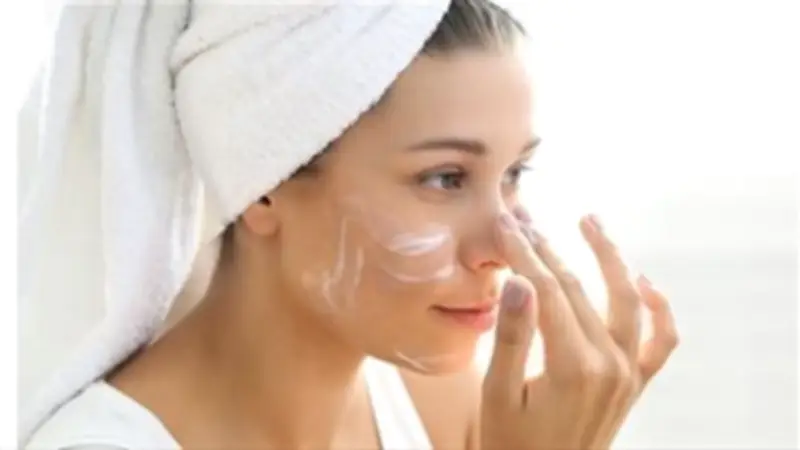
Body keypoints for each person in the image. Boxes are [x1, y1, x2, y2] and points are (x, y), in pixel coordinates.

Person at [20, 0, 678, 448]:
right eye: (446, 178)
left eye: (514, 174)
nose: (501, 248)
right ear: (266, 184)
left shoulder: (443, 405)